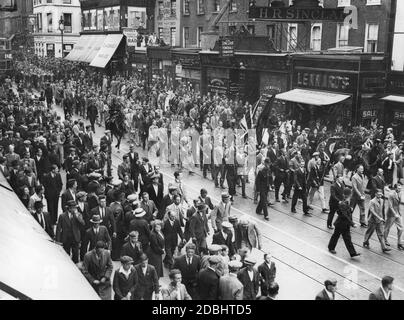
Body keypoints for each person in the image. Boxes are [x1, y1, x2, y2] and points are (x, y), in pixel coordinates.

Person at [328, 188, 361, 259]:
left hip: (345, 224)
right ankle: (331, 247)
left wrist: (350, 209)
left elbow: (347, 213)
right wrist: (352, 223)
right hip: (340, 224)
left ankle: (353, 253)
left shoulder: (346, 202)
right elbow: (344, 215)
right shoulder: (343, 203)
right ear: (349, 195)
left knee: (347, 238)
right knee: (336, 236)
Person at [384, 184, 404, 250]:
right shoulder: (391, 195)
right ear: (395, 188)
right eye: (398, 188)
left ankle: (399, 243)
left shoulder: (400, 193)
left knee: (401, 228)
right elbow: (390, 206)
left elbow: (398, 204)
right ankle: (384, 240)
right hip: (391, 214)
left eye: (400, 188)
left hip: (398, 213)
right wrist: (394, 213)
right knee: (387, 228)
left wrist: (398, 213)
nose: (400, 189)